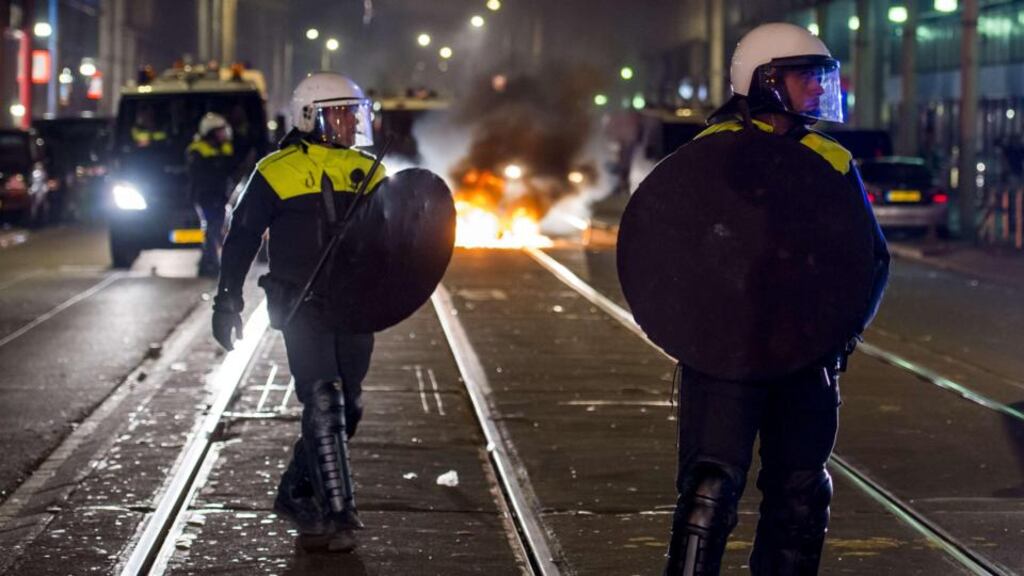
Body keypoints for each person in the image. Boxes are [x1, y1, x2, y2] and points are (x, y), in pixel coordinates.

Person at [661, 23, 890, 576]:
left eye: (820, 78)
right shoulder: (711, 154)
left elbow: (868, 258)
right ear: (763, 81)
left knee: (802, 494)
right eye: (803, 77)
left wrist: (841, 334)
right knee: (710, 489)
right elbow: (673, 252)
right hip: (725, 355)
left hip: (806, 355)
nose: (817, 90)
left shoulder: (831, 159)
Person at [211, 72, 385, 553]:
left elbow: (392, 242)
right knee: (323, 398)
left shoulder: (371, 171)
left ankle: (294, 491)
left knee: (347, 405)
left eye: (355, 112)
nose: (351, 122)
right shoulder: (275, 170)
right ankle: (340, 514)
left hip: (352, 306)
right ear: (311, 116)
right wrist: (227, 299)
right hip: (299, 302)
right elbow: (242, 237)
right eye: (341, 112)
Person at [187, 112, 235, 277]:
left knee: (215, 229)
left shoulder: (224, 147)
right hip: (205, 195)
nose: (224, 134)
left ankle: (206, 262)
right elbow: (201, 175)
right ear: (210, 132)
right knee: (212, 228)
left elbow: (229, 169)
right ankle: (211, 264)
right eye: (220, 131)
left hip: (220, 195)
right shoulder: (197, 150)